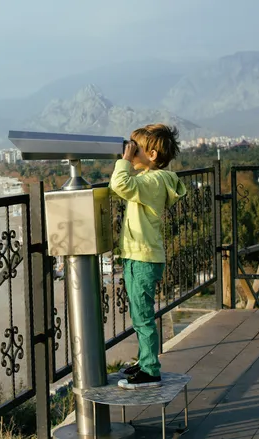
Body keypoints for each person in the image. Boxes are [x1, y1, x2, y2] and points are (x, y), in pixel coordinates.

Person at [109, 123, 187, 389]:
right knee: (139, 313)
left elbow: (119, 184)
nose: (131, 151)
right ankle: (145, 362)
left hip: (143, 258)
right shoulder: (149, 180)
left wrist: (124, 161)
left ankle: (151, 370)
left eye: (136, 147)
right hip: (137, 256)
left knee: (142, 316)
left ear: (152, 156)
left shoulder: (152, 181)